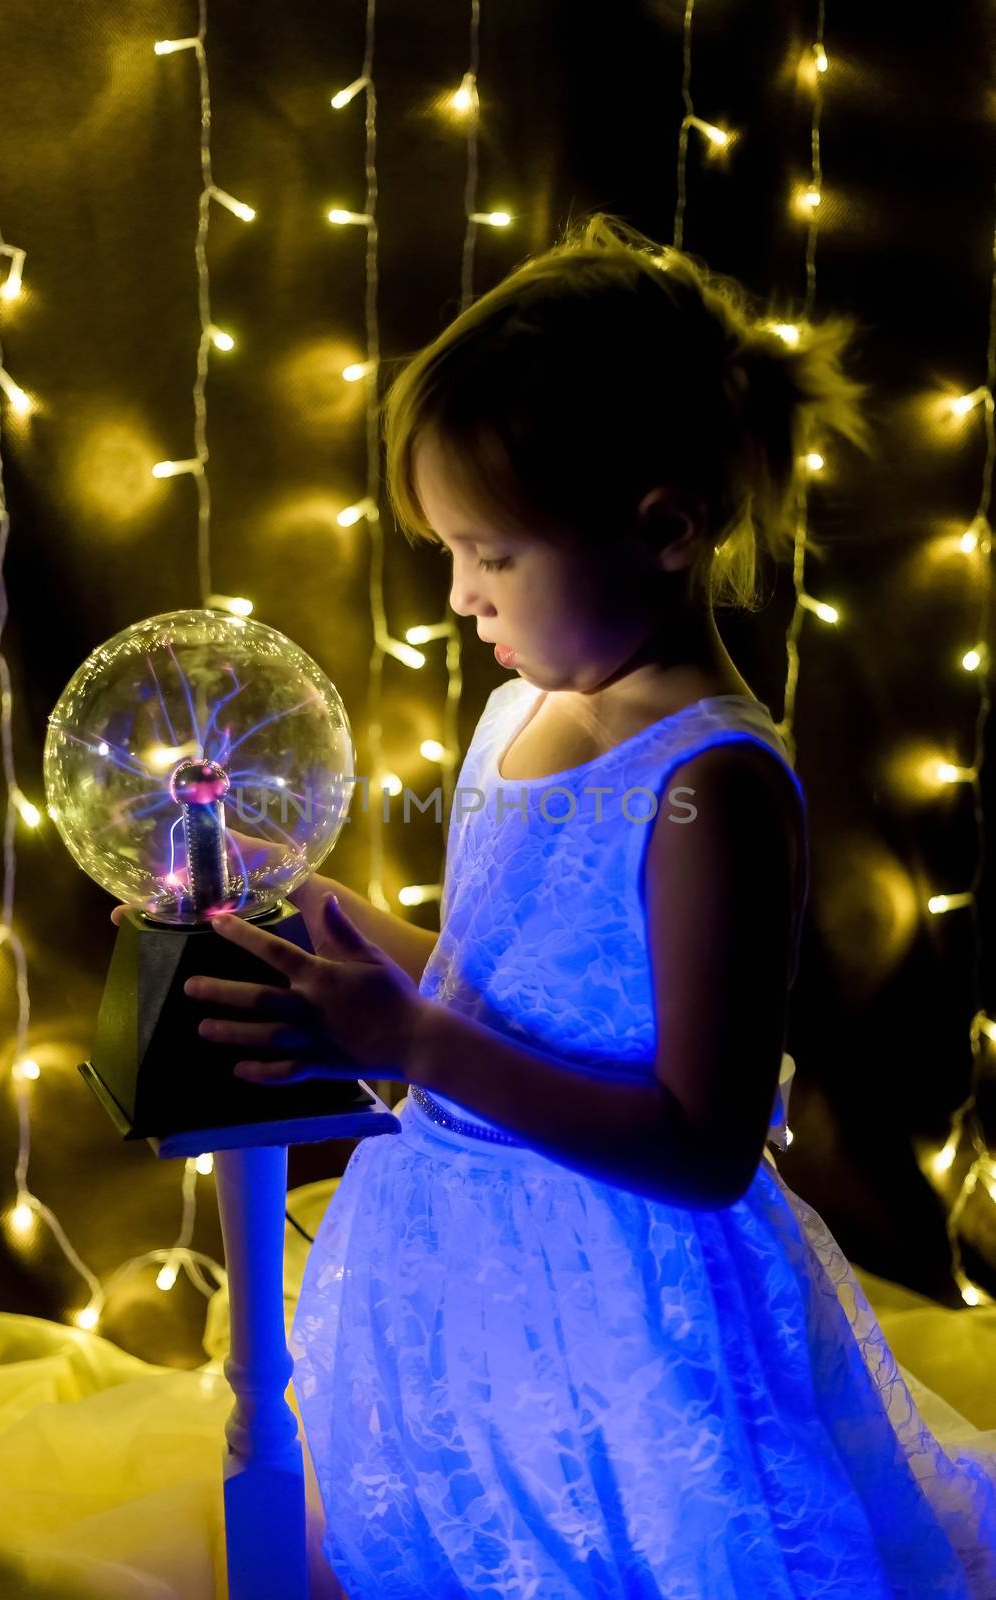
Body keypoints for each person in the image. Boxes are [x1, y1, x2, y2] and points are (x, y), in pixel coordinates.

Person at [158, 215, 996, 1595]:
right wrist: (357, 929)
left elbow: (703, 1145)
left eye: (489, 556)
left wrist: (409, 1043)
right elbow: (518, 984)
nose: (453, 595)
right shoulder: (521, 708)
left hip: (625, 1294)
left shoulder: (712, 783)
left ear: (662, 531)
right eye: (448, 550)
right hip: (474, 1256)